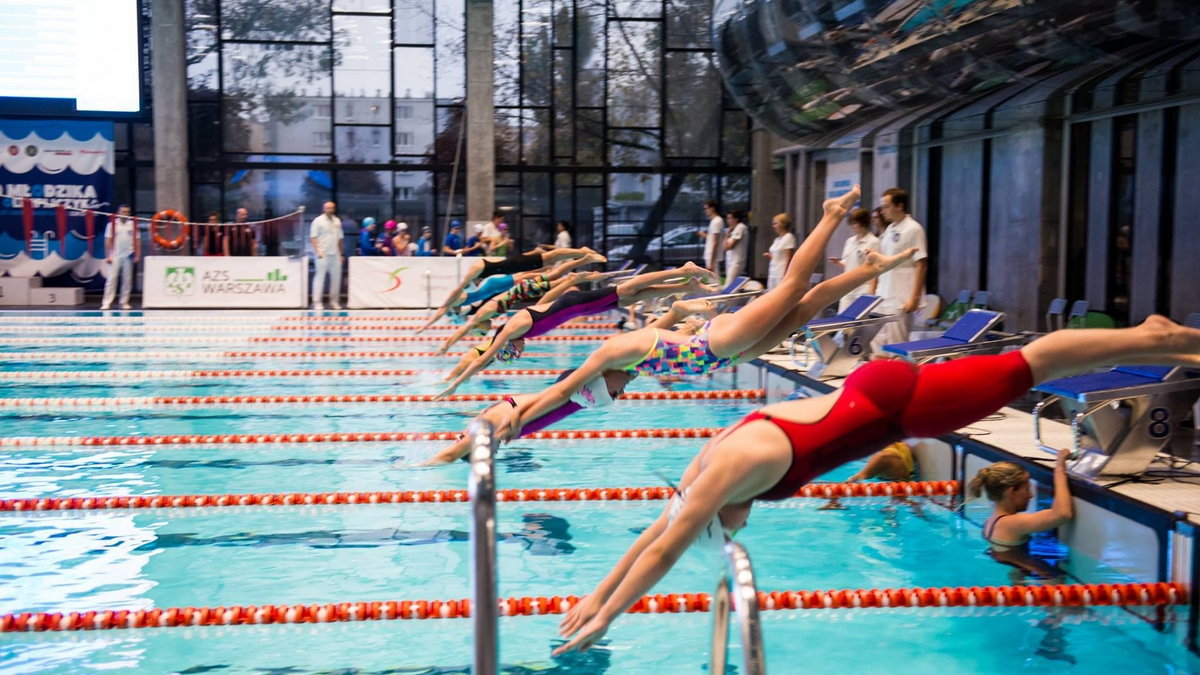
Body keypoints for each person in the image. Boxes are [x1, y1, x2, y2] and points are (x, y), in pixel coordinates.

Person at [552, 316, 1200, 655]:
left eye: (728, 528)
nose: (739, 530)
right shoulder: (709, 472)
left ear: (723, 512)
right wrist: (598, 592)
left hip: (898, 408)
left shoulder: (727, 474)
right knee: (1023, 368)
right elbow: (657, 535)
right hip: (872, 394)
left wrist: (608, 614)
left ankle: (1158, 336)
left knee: (1027, 367)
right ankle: (1156, 338)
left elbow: (666, 548)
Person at [500, 186, 917, 439]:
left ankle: (830, 216)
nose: (622, 391)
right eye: (618, 396)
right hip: (731, 352)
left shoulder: (608, 354)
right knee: (810, 305)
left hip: (717, 343)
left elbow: (556, 392)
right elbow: (666, 325)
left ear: (598, 379)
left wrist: (517, 419)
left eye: (613, 392)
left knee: (792, 287)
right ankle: (870, 268)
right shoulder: (628, 362)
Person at [438, 263, 717, 397]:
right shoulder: (520, 329)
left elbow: (481, 359)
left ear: (511, 346)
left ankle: (682, 270)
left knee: (630, 289)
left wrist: (454, 385)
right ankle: (686, 285)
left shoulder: (512, 329)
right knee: (632, 297)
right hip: (578, 307)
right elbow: (545, 305)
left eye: (515, 354)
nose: (521, 353)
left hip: (578, 304)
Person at [434, 254, 608, 354]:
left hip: (521, 291)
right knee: (559, 278)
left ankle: (584, 260)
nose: (486, 329)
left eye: (482, 330)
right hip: (519, 292)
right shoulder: (486, 314)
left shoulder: (481, 314)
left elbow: (464, 329)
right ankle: (587, 268)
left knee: (561, 279)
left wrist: (446, 345)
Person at [418, 245, 605, 333]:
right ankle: (579, 260)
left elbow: (445, 305)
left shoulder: (462, 295)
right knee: (546, 271)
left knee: (550, 259)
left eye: (453, 312)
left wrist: (429, 323)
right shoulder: (468, 303)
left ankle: (581, 252)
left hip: (507, 271)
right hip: (506, 279)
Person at [970, 451, 1074, 581]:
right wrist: (1059, 469)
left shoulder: (990, 522)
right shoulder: (1013, 523)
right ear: (1011, 492)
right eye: (1027, 489)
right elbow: (1062, 514)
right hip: (1027, 568)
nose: (1031, 495)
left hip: (1015, 565)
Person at [872, 188, 928, 349]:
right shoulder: (889, 230)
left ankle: (901, 372)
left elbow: (921, 264)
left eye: (886, 206)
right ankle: (880, 373)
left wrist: (914, 298)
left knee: (897, 344)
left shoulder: (914, 229)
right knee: (876, 340)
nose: (883, 211)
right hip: (883, 294)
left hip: (901, 296)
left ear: (899, 206)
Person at [829, 208, 881, 313]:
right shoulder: (849, 242)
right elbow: (848, 265)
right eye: (851, 223)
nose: (852, 226)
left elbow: (876, 268)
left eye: (855, 223)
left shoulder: (874, 242)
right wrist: (838, 262)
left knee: (858, 322)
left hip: (863, 288)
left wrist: (872, 291)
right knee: (843, 322)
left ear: (863, 223)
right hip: (848, 288)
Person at [100, 204, 140, 310]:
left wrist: (137, 255)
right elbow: (107, 241)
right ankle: (106, 302)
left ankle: (124, 302)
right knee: (111, 279)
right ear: (118, 213)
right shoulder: (112, 224)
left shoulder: (133, 225)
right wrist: (108, 255)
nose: (125, 214)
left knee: (127, 280)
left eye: (127, 212)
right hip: (115, 255)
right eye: (123, 212)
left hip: (128, 255)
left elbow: (137, 241)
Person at [310, 201, 344, 310]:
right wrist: (318, 251)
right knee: (319, 278)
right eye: (328, 208)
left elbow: (340, 239)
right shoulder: (318, 221)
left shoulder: (337, 221)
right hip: (322, 254)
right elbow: (313, 238)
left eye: (332, 208)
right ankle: (317, 302)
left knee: (336, 279)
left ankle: (334, 301)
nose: (330, 210)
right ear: (323, 209)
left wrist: (341, 253)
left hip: (335, 254)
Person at [764, 213, 797, 290]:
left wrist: (786, 275)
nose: (773, 226)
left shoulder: (789, 237)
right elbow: (777, 256)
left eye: (775, 224)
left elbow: (789, 258)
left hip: (781, 273)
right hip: (773, 272)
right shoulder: (777, 239)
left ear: (783, 224)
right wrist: (770, 256)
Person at [722, 211, 750, 283]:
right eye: (727, 219)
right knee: (730, 283)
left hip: (737, 261)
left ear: (736, 219)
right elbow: (724, 247)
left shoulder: (741, 227)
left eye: (729, 218)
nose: (728, 221)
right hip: (730, 260)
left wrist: (727, 236)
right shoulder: (731, 230)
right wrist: (727, 235)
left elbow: (730, 246)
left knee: (729, 283)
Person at [698, 200, 724, 278]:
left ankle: (718, 291)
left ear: (713, 208)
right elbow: (713, 239)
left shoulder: (716, 221)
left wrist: (712, 262)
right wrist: (705, 235)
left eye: (706, 208)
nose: (705, 211)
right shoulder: (714, 221)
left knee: (714, 280)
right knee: (712, 280)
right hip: (711, 254)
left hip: (712, 255)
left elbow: (715, 243)